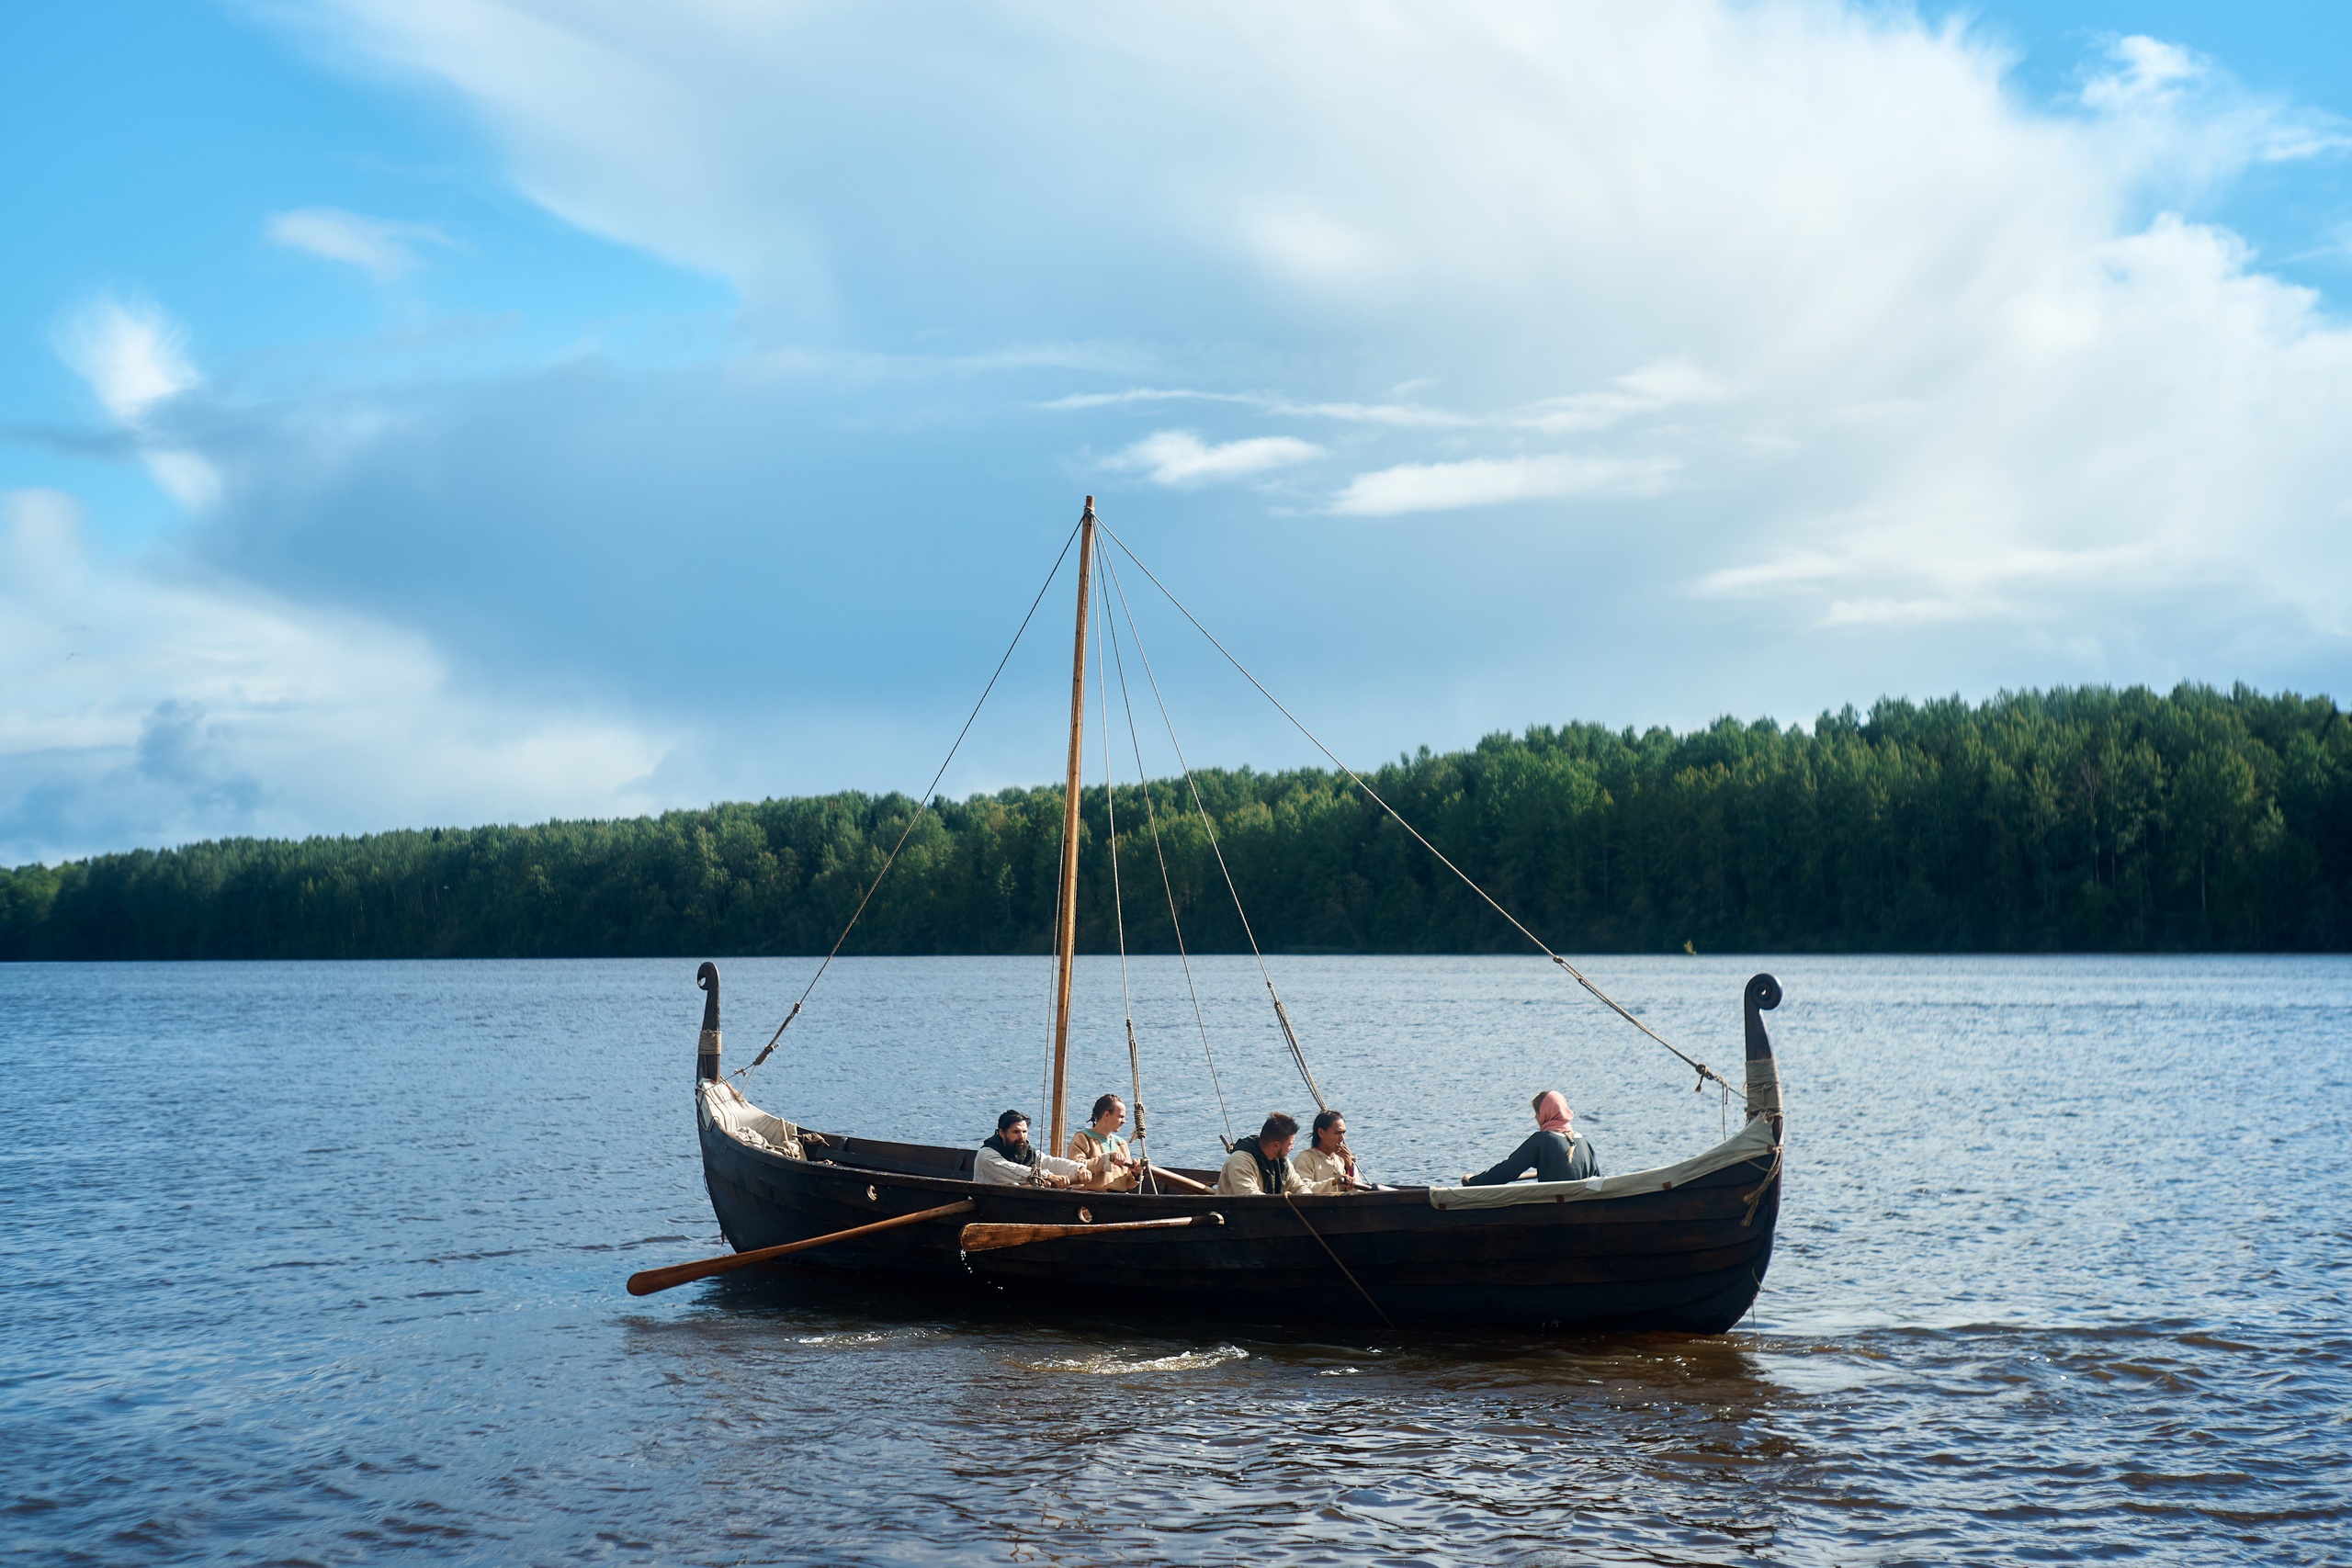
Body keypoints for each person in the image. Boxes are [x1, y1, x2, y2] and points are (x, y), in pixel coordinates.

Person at [1461, 1090, 1601, 1186]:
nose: (1536, 1117)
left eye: (1537, 1112)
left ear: (1546, 1113)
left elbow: (1507, 1171)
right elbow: (1597, 1183)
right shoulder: (1583, 1141)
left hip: (1553, 1210)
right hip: (1579, 1205)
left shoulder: (1542, 1140)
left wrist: (1474, 1181)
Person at [975, 1109, 1087, 1188]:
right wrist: (1048, 1176)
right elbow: (1014, 1171)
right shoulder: (986, 1156)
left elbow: (1050, 1162)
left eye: (1024, 1132)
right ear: (1002, 1133)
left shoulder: (1027, 1153)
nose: (1021, 1136)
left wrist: (1078, 1169)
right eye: (1016, 1132)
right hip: (989, 1205)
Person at [1064, 1093, 1142, 1191]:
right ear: (1107, 1115)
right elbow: (1074, 1167)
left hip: (1119, 1200)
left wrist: (1136, 1173)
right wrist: (1106, 1159)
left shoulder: (1121, 1144)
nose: (1124, 1121)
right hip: (1091, 1200)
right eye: (1121, 1117)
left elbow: (1128, 1184)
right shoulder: (1083, 1138)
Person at [1216, 1111, 1302, 1196]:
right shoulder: (1240, 1161)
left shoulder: (1283, 1162)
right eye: (1290, 1144)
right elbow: (1251, 1197)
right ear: (1276, 1145)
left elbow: (1298, 1187)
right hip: (1233, 1210)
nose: (1292, 1148)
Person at [1291, 1109, 1362, 1193]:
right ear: (1321, 1133)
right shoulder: (1306, 1158)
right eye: (1337, 1133)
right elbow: (1301, 1189)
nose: (1342, 1138)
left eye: (1343, 1133)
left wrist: (1350, 1167)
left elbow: (1358, 1193)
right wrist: (1334, 1182)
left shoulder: (1342, 1159)